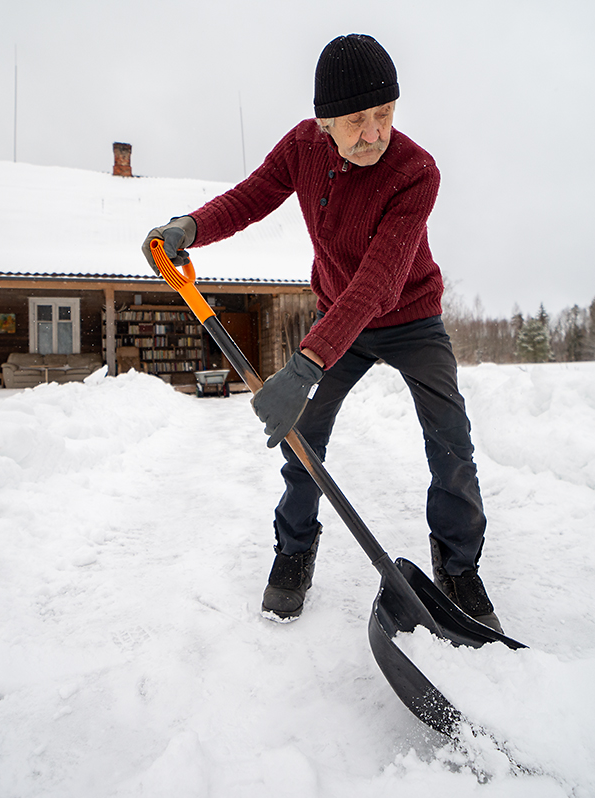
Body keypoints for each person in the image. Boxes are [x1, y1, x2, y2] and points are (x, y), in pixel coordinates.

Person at [142, 33, 501, 632]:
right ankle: (294, 550)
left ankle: (458, 568)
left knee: (451, 443)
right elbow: (252, 197)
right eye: (357, 121)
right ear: (324, 123)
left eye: (385, 115)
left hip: (410, 317)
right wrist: (190, 227)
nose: (374, 134)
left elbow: (379, 281)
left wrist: (304, 366)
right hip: (340, 319)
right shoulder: (303, 149)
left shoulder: (416, 172)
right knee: (302, 437)